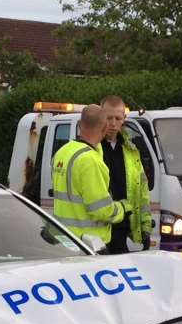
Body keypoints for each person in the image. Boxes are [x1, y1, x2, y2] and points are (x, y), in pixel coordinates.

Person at [51, 104, 126, 248]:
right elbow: (102, 211)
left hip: (65, 240)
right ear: (104, 128)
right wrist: (123, 208)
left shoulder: (62, 152)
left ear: (80, 125)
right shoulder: (90, 160)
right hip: (89, 245)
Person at [98, 95, 152, 254]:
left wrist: (145, 226)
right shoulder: (92, 148)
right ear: (101, 117)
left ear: (124, 119)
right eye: (109, 118)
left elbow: (142, 191)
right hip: (98, 228)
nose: (113, 124)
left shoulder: (131, 151)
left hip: (123, 226)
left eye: (117, 118)